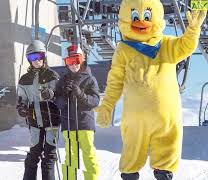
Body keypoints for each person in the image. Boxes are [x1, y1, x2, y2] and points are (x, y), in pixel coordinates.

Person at [94, 0, 207, 179]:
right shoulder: (123, 50)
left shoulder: (167, 45)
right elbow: (115, 81)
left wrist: (193, 30)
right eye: (134, 17)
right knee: (132, 157)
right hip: (138, 118)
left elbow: (186, 46)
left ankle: (162, 174)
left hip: (162, 118)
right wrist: (107, 106)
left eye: (147, 16)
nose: (141, 22)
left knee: (164, 160)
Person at [16, 40, 60, 180]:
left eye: (39, 56)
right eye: (32, 58)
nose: (36, 61)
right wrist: (22, 107)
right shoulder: (24, 79)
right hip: (34, 123)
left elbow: (61, 97)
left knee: (49, 157)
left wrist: (52, 95)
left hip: (51, 122)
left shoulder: (52, 75)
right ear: (29, 60)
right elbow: (22, 98)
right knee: (33, 155)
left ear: (44, 56)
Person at [55, 45, 100, 180]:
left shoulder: (89, 79)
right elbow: (58, 103)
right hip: (68, 123)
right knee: (70, 155)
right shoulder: (62, 81)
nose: (74, 64)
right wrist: (65, 95)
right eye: (70, 61)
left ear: (82, 60)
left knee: (88, 153)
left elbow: (95, 101)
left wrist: (80, 94)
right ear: (66, 63)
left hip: (85, 122)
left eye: (77, 60)